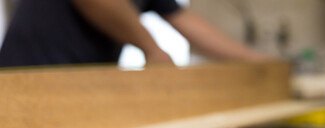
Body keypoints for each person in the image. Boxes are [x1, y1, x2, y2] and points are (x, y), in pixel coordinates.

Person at [0, 0, 268, 67]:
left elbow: (184, 20)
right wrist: (151, 48)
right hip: (30, 74)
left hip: (88, 84)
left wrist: (255, 60)